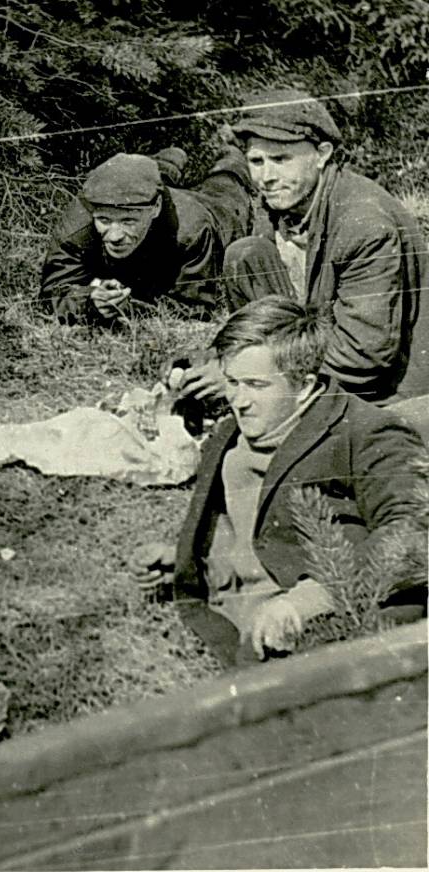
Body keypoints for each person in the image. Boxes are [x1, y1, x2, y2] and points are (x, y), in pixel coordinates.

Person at [130, 297, 426, 667]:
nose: (239, 401)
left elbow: (415, 533)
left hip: (329, 626)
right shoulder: (230, 435)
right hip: (235, 619)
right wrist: (192, 561)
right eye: (232, 382)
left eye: (256, 385)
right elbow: (253, 529)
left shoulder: (366, 433)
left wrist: (309, 599)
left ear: (303, 386)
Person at [176, 88, 429, 404]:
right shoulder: (282, 202)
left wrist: (249, 372)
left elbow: (362, 355)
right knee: (246, 254)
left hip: (392, 389)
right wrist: (221, 357)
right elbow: (270, 315)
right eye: (256, 161)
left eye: (281, 159)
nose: (267, 176)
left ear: (322, 155)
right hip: (321, 350)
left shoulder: (364, 223)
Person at [42, 144, 253, 323]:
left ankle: (232, 151)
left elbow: (194, 309)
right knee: (145, 174)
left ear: (156, 207)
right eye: (104, 220)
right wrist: (90, 303)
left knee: (226, 184)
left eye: (128, 221)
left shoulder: (192, 229)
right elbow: (53, 292)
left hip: (210, 208)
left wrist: (132, 309)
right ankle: (172, 157)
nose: (114, 236)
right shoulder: (78, 222)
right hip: (159, 206)